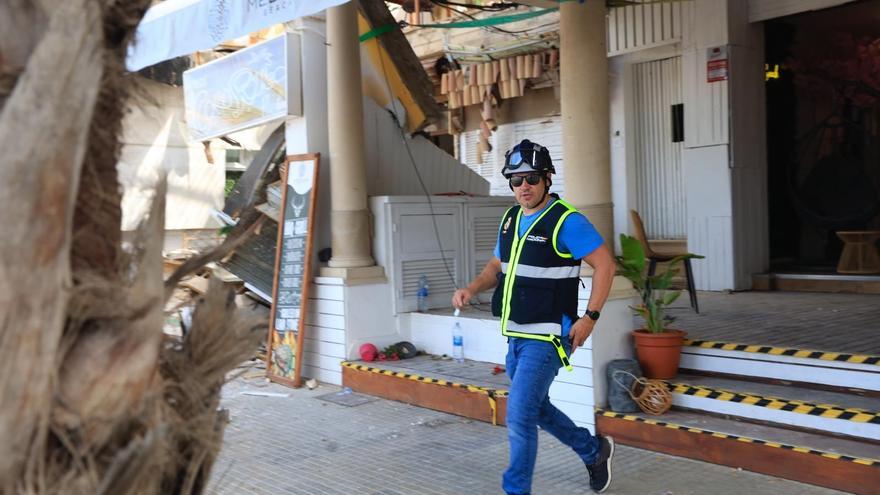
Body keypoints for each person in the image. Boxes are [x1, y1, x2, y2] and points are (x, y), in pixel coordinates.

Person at [452, 139, 617, 495]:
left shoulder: (566, 221)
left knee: (519, 416)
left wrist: (590, 318)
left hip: (549, 339)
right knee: (536, 409)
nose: (523, 186)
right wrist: (472, 287)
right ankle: (592, 450)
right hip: (516, 337)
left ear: (547, 179)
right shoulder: (511, 218)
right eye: (516, 180)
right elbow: (497, 266)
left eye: (531, 178)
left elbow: (606, 265)